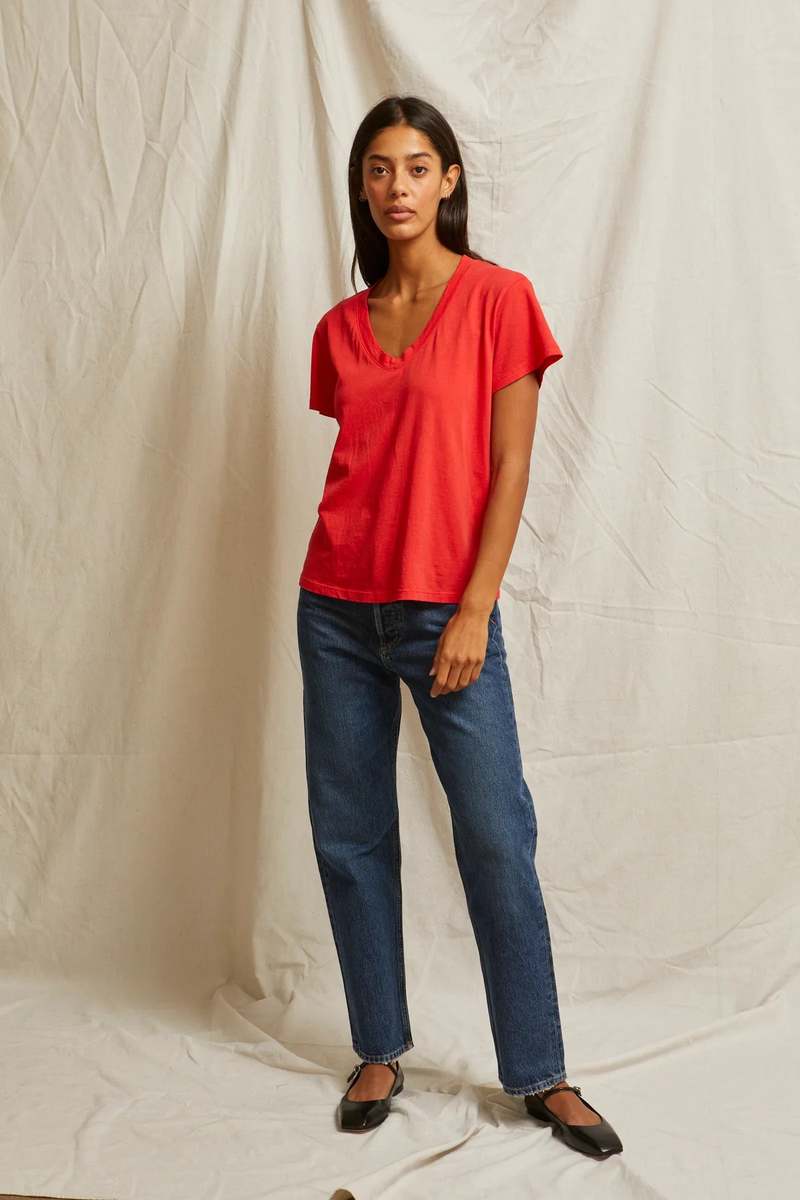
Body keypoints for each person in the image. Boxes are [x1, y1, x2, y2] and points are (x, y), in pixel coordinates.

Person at [296, 95, 623, 1160]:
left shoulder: (497, 300)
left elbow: (511, 465)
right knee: (350, 836)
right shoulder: (339, 329)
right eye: (378, 168)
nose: (396, 185)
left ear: (448, 181)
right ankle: (378, 1048)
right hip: (335, 605)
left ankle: (541, 1073)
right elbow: (362, 465)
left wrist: (473, 607)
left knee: (492, 833)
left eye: (415, 166)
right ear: (362, 188)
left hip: (447, 606)